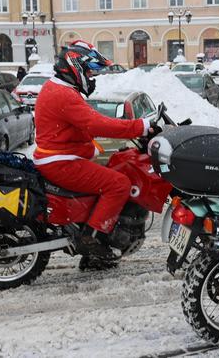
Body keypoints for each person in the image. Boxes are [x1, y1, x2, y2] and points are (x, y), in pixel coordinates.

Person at [33, 40, 154, 263]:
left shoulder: (59, 89)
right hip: (61, 162)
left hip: (60, 158)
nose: (91, 78)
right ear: (75, 67)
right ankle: (92, 238)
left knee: (118, 165)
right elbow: (96, 124)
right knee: (118, 184)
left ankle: (97, 239)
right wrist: (140, 126)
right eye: (89, 72)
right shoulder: (63, 94)